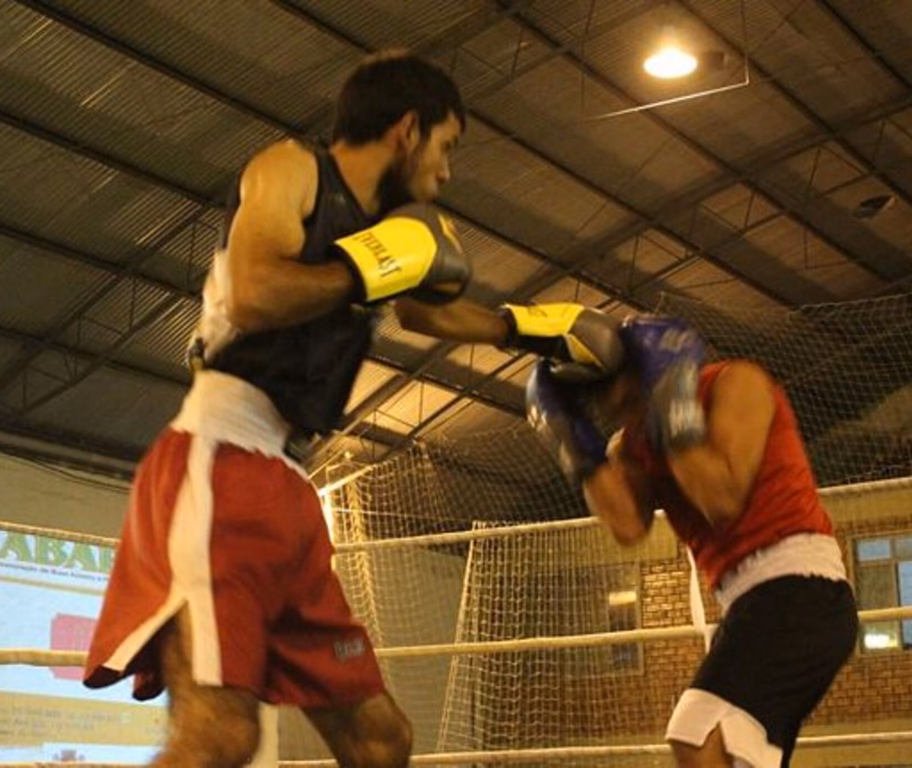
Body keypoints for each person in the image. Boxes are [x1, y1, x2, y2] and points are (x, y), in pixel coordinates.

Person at [83, 51, 623, 768]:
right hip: (217, 459)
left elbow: (429, 314)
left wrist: (534, 327)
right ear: (407, 129)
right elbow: (251, 293)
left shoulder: (389, 228)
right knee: (219, 736)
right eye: (446, 146)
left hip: (284, 484)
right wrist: (366, 267)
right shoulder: (289, 168)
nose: (448, 170)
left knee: (380, 741)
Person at [526, 315, 859, 768]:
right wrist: (572, 442)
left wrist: (673, 410)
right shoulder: (629, 445)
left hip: (801, 587)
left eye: (612, 388)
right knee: (732, 755)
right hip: (753, 602)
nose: (607, 406)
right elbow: (627, 527)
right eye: (594, 398)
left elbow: (720, 498)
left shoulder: (736, 383)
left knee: (696, 733)